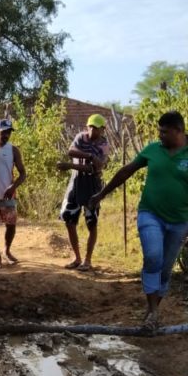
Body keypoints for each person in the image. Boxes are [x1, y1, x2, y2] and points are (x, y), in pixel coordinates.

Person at [89, 110, 188, 331]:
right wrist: (101, 194)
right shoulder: (153, 150)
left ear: (178, 131)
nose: (160, 135)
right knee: (153, 256)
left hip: (180, 221)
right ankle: (153, 311)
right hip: (150, 213)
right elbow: (126, 171)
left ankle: (152, 312)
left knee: (165, 269)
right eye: (159, 131)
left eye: (164, 132)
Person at [58, 113, 109, 271]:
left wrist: (70, 166)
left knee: (91, 223)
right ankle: (77, 258)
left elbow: (95, 168)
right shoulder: (81, 137)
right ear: (87, 126)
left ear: (102, 129)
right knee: (69, 219)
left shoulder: (104, 145)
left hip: (91, 185)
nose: (92, 130)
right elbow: (71, 151)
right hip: (75, 183)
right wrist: (90, 155)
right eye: (90, 126)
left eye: (96, 127)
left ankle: (87, 260)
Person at [0, 118, 26, 267]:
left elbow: (23, 174)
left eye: (9, 132)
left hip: (8, 194)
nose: (6, 135)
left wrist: (13, 187)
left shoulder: (13, 150)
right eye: (4, 132)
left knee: (11, 225)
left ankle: (6, 251)